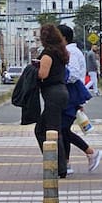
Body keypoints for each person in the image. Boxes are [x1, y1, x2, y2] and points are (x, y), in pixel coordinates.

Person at [59, 25, 102, 173]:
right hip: (73, 94)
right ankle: (66, 163)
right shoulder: (72, 51)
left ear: (64, 37)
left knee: (63, 129)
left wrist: (60, 76)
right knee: (63, 129)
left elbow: (73, 74)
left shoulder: (71, 52)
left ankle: (90, 152)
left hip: (71, 94)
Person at [34, 24, 71, 176]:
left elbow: (43, 74)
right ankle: (57, 164)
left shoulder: (48, 53)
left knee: (50, 131)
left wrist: (34, 69)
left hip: (53, 94)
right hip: (61, 91)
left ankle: (58, 166)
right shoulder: (61, 51)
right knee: (48, 130)